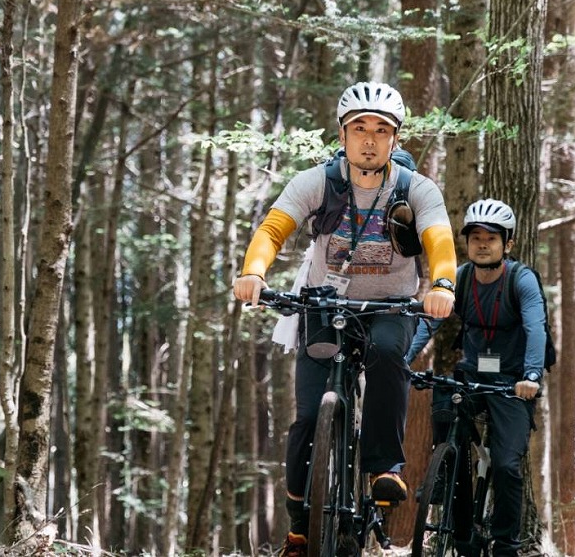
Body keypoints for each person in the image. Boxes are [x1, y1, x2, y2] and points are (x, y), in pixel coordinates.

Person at [233, 81, 457, 557]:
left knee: (387, 353)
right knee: (310, 416)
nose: (370, 139)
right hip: (324, 303)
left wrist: (442, 285)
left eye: (381, 130)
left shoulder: (416, 189)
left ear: (396, 139)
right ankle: (298, 525)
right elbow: (274, 228)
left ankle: (383, 470)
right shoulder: (318, 181)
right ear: (343, 134)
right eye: (360, 129)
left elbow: (439, 239)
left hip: (390, 306)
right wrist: (253, 271)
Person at [406, 198, 546, 557]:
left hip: (513, 381)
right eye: (475, 237)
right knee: (444, 404)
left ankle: (505, 544)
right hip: (471, 373)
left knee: (505, 466)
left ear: (508, 243)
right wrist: (404, 361)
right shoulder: (461, 277)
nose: (482, 244)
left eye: (492, 238)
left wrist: (531, 375)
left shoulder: (521, 280)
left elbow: (536, 328)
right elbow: (431, 320)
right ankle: (449, 487)